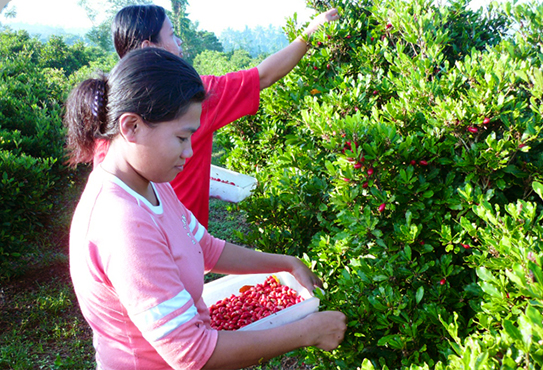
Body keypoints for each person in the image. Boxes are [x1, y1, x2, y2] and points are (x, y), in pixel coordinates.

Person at [65, 47, 346, 370]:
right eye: (182, 138)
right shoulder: (123, 223)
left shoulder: (150, 182)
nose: (189, 152)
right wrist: (307, 331)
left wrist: (285, 263)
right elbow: (193, 353)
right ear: (131, 127)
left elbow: (206, 249)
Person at [93, 4, 340, 229]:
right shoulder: (192, 95)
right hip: (181, 243)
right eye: (171, 35)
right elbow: (263, 76)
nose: (179, 43)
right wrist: (309, 34)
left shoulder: (107, 102)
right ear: (150, 48)